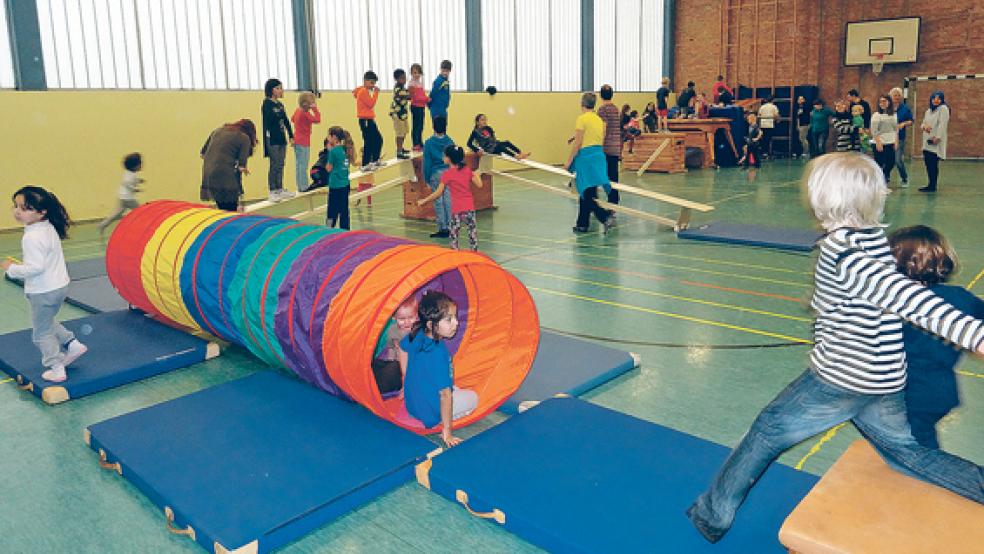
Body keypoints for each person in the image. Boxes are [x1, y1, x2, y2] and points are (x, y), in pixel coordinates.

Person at [686, 152, 984, 544]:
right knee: (908, 452)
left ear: (820, 198)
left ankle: (712, 515)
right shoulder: (872, 240)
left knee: (765, 432)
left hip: (842, 379)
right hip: (885, 378)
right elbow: (877, 295)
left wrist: (976, 336)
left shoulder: (847, 255)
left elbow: (913, 300)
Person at [888, 225, 984, 450]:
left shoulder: (900, 302)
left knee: (920, 448)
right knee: (915, 437)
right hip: (940, 391)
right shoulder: (960, 297)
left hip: (911, 395)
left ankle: (938, 479)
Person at [2, 186, 86, 383]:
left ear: (42, 212)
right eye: (16, 206)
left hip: (44, 290)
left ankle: (56, 366)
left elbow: (35, 267)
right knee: (45, 320)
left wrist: (11, 269)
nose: (17, 212)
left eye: (25, 208)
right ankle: (72, 343)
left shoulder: (31, 237)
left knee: (40, 333)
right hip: (59, 286)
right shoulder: (47, 227)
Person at [397, 290, 478, 447]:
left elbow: (402, 348)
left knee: (449, 387)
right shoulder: (439, 353)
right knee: (473, 398)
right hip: (430, 413)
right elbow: (445, 396)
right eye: (449, 320)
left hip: (412, 405)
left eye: (454, 317)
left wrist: (405, 377)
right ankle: (443, 420)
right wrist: (447, 432)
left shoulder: (418, 332)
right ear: (431, 324)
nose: (456, 323)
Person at [417, 145, 483, 251]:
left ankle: (455, 255)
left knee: (454, 236)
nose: (443, 158)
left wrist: (424, 200)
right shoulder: (467, 170)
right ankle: (475, 254)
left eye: (444, 156)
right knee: (472, 234)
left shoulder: (447, 174)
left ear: (449, 159)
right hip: (469, 209)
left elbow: (438, 193)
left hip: (457, 210)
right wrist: (477, 174)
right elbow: (479, 185)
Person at [567, 93, 614, 234]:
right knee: (589, 190)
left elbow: (578, 142)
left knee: (585, 191)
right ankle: (582, 223)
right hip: (598, 156)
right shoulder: (599, 120)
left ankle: (603, 216)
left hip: (586, 158)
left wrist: (569, 160)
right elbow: (598, 137)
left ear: (582, 104)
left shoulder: (581, 119)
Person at [200, 119, 257, 212]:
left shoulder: (218, 130)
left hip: (208, 172)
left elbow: (202, 154)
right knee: (231, 207)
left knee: (222, 207)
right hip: (225, 175)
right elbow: (241, 166)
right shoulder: (244, 138)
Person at [372, 296, 419, 396]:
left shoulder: (419, 333)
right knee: (376, 363)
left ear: (416, 316)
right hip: (396, 362)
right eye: (402, 319)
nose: (407, 322)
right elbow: (391, 348)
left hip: (409, 369)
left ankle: (377, 386)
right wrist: (390, 360)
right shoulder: (393, 330)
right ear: (394, 318)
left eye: (410, 317)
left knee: (394, 368)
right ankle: (368, 379)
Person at [261, 78, 294, 202]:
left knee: (281, 163)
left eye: (281, 88)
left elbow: (286, 120)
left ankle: (280, 188)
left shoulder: (280, 105)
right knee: (274, 164)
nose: (280, 90)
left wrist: (291, 135)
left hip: (281, 138)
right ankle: (272, 190)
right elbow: (269, 121)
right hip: (272, 139)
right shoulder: (267, 104)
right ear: (271, 90)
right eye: (278, 88)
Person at [423, 115, 454, 238]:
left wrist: (426, 178)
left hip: (436, 173)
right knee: (448, 199)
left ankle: (443, 228)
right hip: (448, 172)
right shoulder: (450, 141)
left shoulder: (429, 143)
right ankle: (451, 226)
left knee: (438, 200)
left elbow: (427, 162)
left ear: (433, 127)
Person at [97, 153, 144, 236]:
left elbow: (132, 180)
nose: (141, 165)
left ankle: (102, 225)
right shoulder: (130, 175)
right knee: (141, 211)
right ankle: (141, 228)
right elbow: (127, 183)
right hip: (128, 198)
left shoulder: (130, 173)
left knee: (117, 214)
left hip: (122, 197)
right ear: (134, 166)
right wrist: (135, 189)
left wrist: (139, 181)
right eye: (140, 164)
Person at [322, 126, 354, 230]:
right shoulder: (345, 149)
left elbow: (329, 168)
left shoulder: (333, 151)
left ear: (334, 137)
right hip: (345, 184)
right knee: (344, 210)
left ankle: (328, 229)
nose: (328, 138)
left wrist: (329, 153)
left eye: (329, 135)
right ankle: (345, 230)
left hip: (335, 186)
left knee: (331, 210)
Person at [290, 91, 321, 193]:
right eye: (312, 102)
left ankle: (300, 185)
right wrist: (315, 109)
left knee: (299, 164)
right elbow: (317, 119)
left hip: (296, 139)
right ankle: (303, 186)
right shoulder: (306, 113)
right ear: (306, 104)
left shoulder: (298, 111)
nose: (313, 104)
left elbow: (292, 119)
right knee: (303, 164)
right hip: (303, 141)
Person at [919, 91, 949, 193]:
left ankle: (933, 185)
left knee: (933, 163)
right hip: (927, 140)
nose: (936, 100)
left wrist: (938, 137)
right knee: (928, 163)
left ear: (942, 100)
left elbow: (942, 124)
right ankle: (930, 183)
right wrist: (924, 127)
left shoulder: (943, 109)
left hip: (935, 141)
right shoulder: (928, 111)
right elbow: (922, 123)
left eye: (938, 98)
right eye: (934, 98)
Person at [353, 71, 383, 171]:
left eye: (374, 83)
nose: (373, 86)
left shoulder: (363, 90)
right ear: (365, 81)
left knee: (378, 139)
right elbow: (371, 104)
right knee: (369, 141)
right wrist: (376, 93)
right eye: (371, 83)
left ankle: (375, 160)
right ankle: (365, 163)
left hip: (369, 119)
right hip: (365, 120)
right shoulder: (363, 92)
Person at [597, 85, 624, 195]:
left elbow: (603, 129)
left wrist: (599, 146)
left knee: (599, 172)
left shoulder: (602, 109)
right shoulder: (615, 108)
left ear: (600, 95)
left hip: (606, 147)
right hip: (615, 146)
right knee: (613, 175)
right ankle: (614, 202)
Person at [871, 94, 898, 184]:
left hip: (890, 142)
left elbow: (895, 129)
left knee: (891, 162)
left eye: (884, 101)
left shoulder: (894, 114)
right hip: (880, 142)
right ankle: (880, 182)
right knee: (880, 163)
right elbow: (874, 131)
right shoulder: (876, 115)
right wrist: (878, 143)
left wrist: (896, 141)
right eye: (880, 102)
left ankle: (885, 176)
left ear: (889, 102)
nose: (882, 103)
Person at [890, 87, 912, 187]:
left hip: (900, 137)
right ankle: (885, 177)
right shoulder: (887, 107)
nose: (897, 97)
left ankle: (904, 178)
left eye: (899, 95)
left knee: (898, 160)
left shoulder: (905, 108)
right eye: (895, 95)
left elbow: (911, 121)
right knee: (888, 160)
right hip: (887, 137)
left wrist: (903, 124)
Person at [390, 68, 411, 160]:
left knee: (404, 131)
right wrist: (411, 91)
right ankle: (398, 151)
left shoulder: (402, 88)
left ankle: (401, 148)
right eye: (402, 78)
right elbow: (408, 96)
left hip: (403, 114)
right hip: (398, 114)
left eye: (405, 77)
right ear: (397, 79)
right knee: (400, 133)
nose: (404, 80)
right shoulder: (398, 89)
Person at [408, 63, 429, 152]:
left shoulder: (420, 83)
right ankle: (415, 143)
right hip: (415, 106)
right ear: (411, 73)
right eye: (414, 73)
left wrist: (426, 99)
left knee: (421, 125)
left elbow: (422, 95)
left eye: (418, 73)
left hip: (421, 106)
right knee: (416, 125)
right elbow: (414, 97)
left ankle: (420, 142)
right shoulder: (411, 83)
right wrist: (427, 99)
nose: (416, 75)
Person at [428, 60, 452, 125]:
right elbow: (432, 93)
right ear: (440, 69)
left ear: (450, 71)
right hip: (437, 109)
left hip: (443, 109)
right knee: (438, 129)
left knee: (443, 128)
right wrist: (429, 105)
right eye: (443, 71)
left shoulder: (446, 82)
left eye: (447, 71)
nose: (445, 73)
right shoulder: (439, 81)